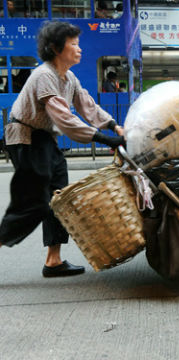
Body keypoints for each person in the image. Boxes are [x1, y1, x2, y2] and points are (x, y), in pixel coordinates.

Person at [0, 21, 125, 277]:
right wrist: (104, 139)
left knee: (59, 198)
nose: (79, 49)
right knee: (32, 203)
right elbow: (64, 118)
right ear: (56, 48)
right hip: (25, 138)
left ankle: (53, 261)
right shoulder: (44, 75)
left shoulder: (69, 77)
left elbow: (87, 106)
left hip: (44, 140)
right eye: (74, 44)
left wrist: (114, 126)